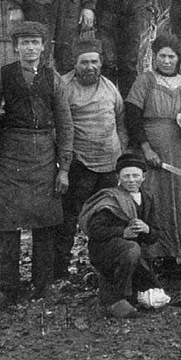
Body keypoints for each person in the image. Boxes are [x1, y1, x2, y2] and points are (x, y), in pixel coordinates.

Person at [0, 21, 73, 312]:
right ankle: (6, 288)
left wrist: (64, 167)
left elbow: (65, 125)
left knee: (45, 222)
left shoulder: (54, 79)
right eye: (24, 42)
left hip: (43, 153)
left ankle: (42, 285)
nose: (30, 47)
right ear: (15, 47)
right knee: (7, 223)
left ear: (43, 47)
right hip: (9, 154)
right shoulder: (2, 75)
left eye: (35, 42)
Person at [124, 33, 181, 271]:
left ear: (178, 60)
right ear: (155, 56)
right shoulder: (145, 81)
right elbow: (132, 116)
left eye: (172, 57)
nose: (167, 61)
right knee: (155, 197)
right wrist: (145, 148)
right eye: (162, 56)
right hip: (153, 147)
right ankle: (156, 253)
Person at [55, 37, 127, 279]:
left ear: (101, 62)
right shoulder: (64, 86)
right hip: (80, 165)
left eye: (94, 62)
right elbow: (58, 126)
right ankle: (60, 272)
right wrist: (66, 161)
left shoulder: (109, 87)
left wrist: (121, 152)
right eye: (84, 62)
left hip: (110, 165)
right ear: (75, 64)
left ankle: (104, 268)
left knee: (106, 219)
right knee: (69, 219)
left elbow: (120, 121)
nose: (90, 67)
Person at [79, 153, 164, 318]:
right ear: (118, 177)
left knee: (153, 292)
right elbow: (95, 230)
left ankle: (119, 290)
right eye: (126, 176)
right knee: (131, 249)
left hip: (136, 255)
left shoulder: (147, 198)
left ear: (144, 177)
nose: (131, 180)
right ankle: (115, 300)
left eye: (135, 175)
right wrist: (122, 232)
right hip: (106, 251)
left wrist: (147, 229)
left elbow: (155, 235)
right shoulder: (111, 199)